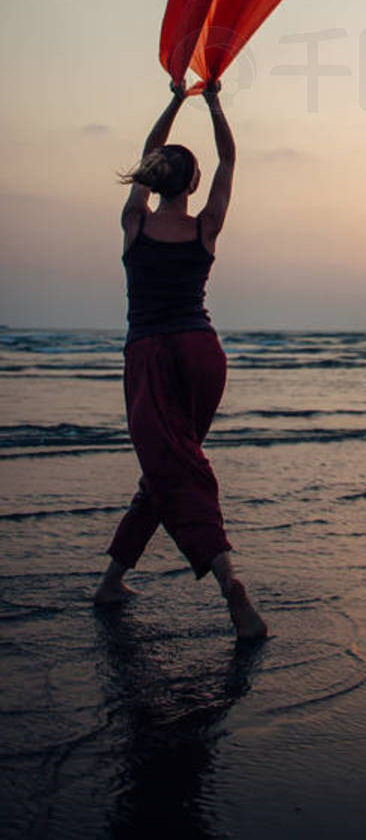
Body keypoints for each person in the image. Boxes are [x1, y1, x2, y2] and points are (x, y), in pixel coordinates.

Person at [93, 78, 267, 640]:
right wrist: (212, 102)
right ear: (192, 183)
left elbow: (151, 153)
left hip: (147, 355)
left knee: (175, 468)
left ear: (149, 179)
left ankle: (228, 580)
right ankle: (112, 580)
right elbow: (230, 158)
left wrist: (174, 99)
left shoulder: (134, 224)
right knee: (168, 468)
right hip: (200, 353)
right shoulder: (204, 229)